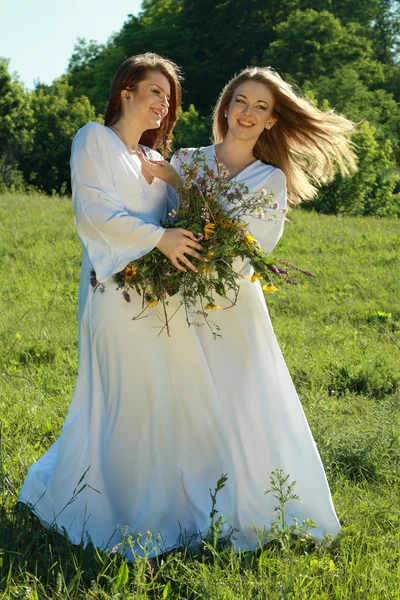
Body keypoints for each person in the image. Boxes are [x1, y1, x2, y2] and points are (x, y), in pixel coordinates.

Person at [18, 59, 355, 557]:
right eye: (240, 100)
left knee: (241, 406)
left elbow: (249, 245)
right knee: (181, 411)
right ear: (225, 105)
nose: (246, 112)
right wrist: (169, 228)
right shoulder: (190, 160)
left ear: (271, 121)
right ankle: (179, 503)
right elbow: (154, 213)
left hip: (229, 308)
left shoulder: (269, 180)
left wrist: (191, 243)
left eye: (260, 107)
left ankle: (252, 505)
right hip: (171, 308)